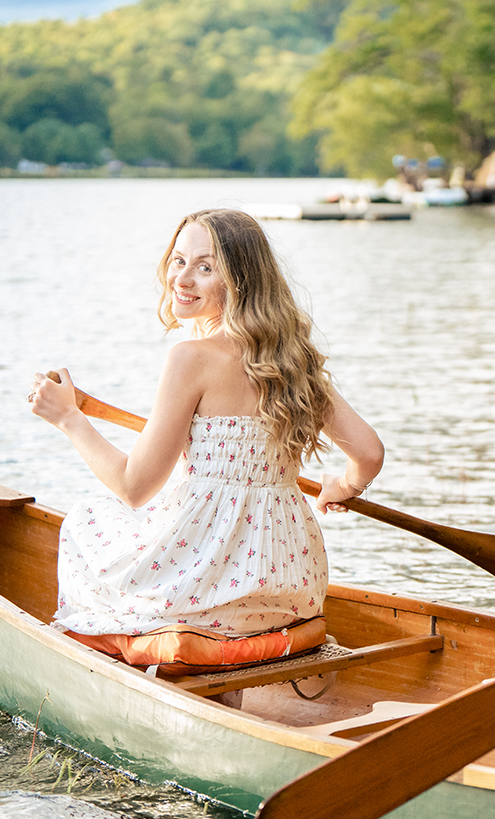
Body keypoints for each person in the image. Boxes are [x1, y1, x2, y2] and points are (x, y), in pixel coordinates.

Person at [29, 208, 384, 650]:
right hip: (291, 587)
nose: (182, 278)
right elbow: (368, 453)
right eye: (178, 261)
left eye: (205, 267)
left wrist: (69, 419)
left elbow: (134, 486)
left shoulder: (190, 358)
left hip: (207, 586)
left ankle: (123, 658)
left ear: (241, 281)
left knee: (87, 520)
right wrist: (344, 486)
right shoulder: (295, 361)